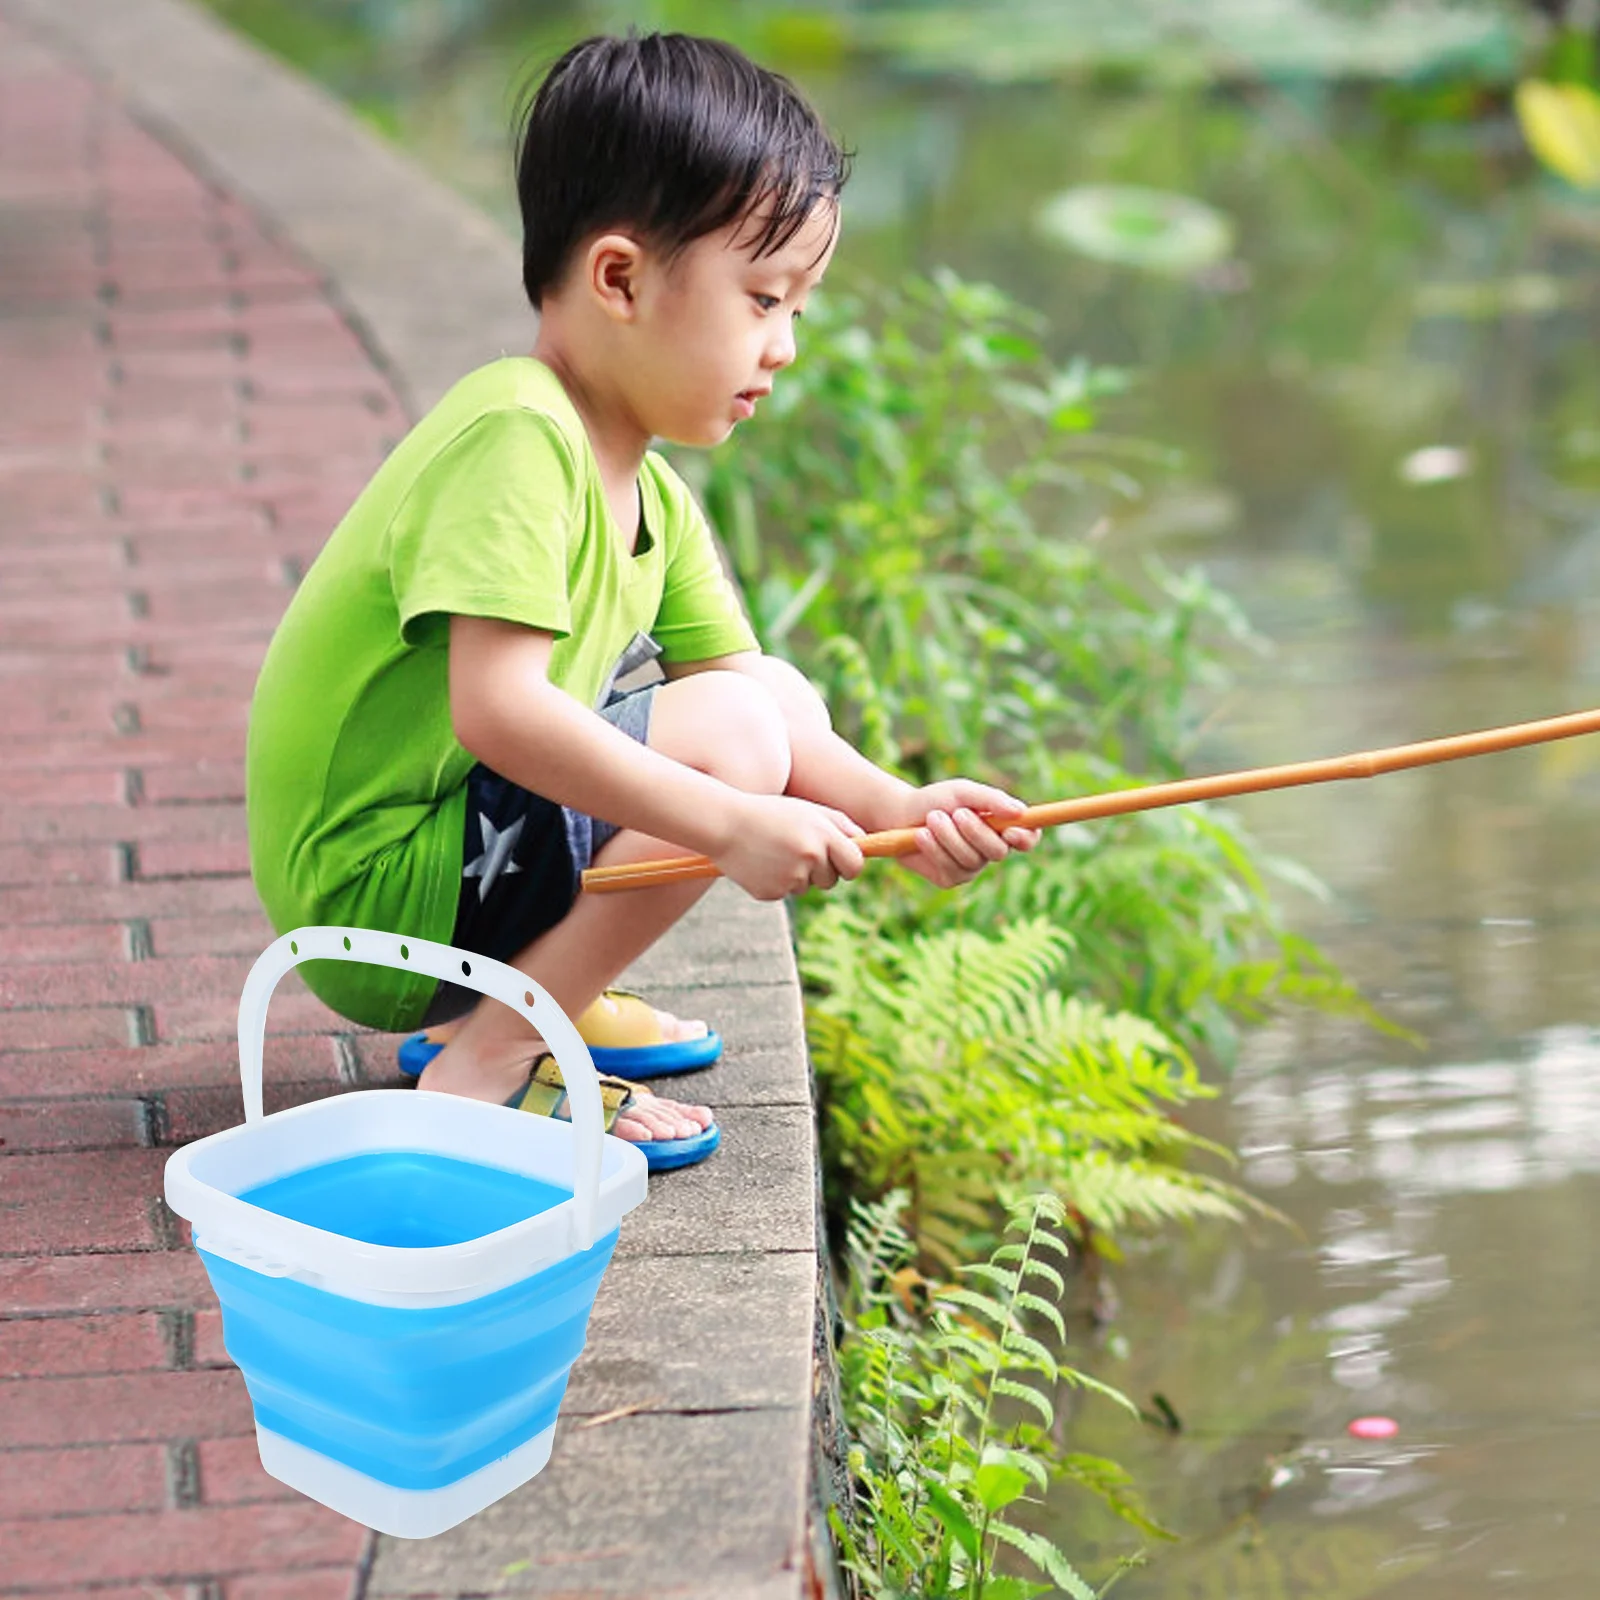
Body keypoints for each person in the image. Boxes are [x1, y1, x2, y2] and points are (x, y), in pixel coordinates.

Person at [245, 31, 1039, 1170]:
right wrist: (726, 823)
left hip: (446, 864)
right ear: (618, 278)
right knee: (729, 740)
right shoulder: (518, 434)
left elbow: (759, 701)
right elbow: (499, 712)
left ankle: (521, 1000)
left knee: (761, 690)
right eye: (763, 298)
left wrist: (900, 812)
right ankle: (488, 1061)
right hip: (374, 903)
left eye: (799, 308)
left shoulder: (647, 487)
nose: (784, 345)